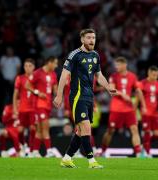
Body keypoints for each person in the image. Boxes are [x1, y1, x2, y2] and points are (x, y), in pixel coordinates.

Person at [53, 28, 118, 168]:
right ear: (82, 39)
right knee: (86, 128)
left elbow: (99, 76)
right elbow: (64, 76)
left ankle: (66, 158)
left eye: (93, 38)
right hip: (77, 97)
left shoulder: (95, 55)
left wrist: (108, 87)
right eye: (88, 38)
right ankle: (92, 161)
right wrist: (59, 95)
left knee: (80, 131)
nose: (91, 40)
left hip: (89, 97)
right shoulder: (74, 55)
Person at [99, 57, 147, 157]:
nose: (116, 67)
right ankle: (102, 151)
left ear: (124, 65)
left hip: (129, 109)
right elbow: (111, 90)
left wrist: (140, 105)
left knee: (134, 129)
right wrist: (122, 94)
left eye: (118, 65)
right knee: (110, 131)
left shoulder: (133, 76)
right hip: (116, 108)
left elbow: (138, 91)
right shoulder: (113, 76)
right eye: (115, 65)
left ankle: (138, 153)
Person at [26, 56, 58, 157]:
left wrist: (58, 95)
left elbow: (55, 88)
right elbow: (27, 85)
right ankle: (49, 151)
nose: (56, 66)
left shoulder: (53, 74)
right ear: (49, 63)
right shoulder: (38, 73)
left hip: (48, 105)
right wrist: (37, 92)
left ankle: (35, 151)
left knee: (39, 129)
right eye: (55, 63)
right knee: (45, 127)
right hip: (39, 105)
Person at [140, 66, 158, 157]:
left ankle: (144, 145)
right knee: (147, 132)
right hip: (146, 112)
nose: (155, 77)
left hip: (155, 113)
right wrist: (140, 108)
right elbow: (139, 97)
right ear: (149, 73)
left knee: (157, 134)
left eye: (157, 75)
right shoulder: (142, 83)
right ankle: (148, 153)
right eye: (153, 75)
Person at [13, 58, 36, 155]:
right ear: (23, 67)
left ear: (34, 67)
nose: (27, 68)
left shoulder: (37, 78)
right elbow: (15, 95)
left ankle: (31, 150)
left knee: (33, 129)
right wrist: (15, 108)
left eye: (30, 66)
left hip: (33, 109)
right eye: (26, 66)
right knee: (20, 130)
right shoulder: (20, 78)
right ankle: (22, 146)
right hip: (22, 108)